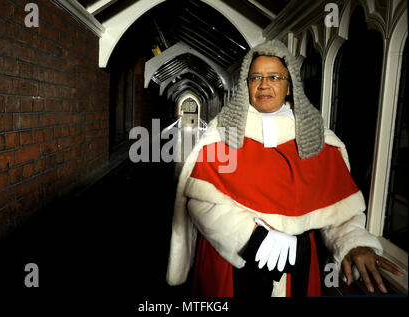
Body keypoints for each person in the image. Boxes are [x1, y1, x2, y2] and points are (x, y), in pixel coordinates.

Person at [166, 40, 403, 297]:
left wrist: (353, 243)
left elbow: (338, 210)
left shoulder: (318, 139)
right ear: (247, 86)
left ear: (289, 87)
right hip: (232, 261)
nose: (264, 84)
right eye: (255, 77)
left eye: (274, 77)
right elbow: (200, 202)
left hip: (296, 263)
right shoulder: (222, 134)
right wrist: (254, 237)